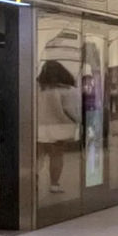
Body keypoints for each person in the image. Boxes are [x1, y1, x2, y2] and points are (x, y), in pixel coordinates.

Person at [37, 60, 81, 194]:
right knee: (57, 156)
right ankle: (54, 184)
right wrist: (78, 121)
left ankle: (33, 181)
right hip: (59, 128)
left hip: (39, 127)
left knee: (38, 156)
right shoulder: (69, 90)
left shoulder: (38, 89)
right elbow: (73, 111)